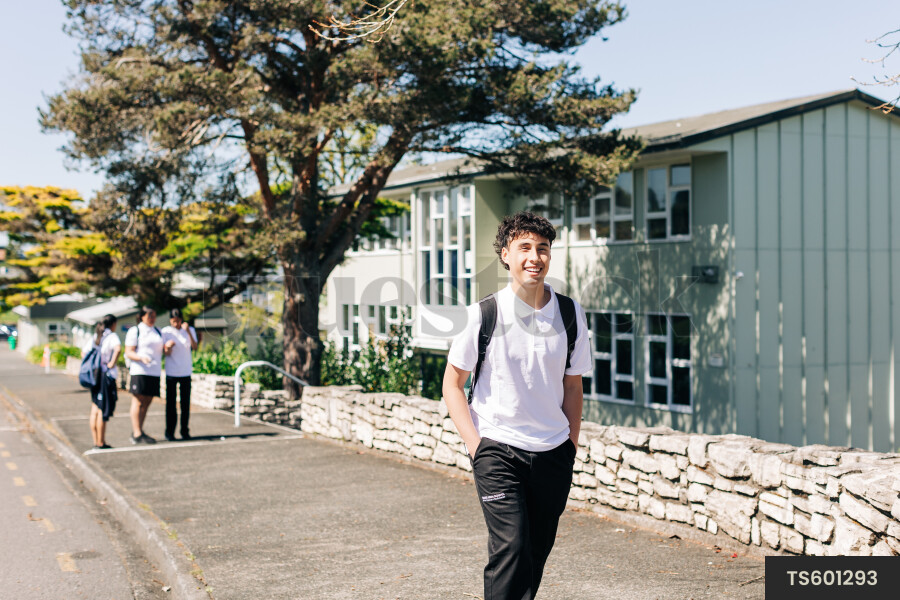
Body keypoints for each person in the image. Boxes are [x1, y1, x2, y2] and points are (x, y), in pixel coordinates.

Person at [443, 211, 591, 600]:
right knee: (511, 547)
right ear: (505, 254)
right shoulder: (485, 314)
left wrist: (570, 444)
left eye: (543, 249)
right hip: (498, 450)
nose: (535, 257)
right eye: (524, 247)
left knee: (535, 552)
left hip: (553, 452)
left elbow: (572, 386)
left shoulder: (571, 313)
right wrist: (478, 448)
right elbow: (452, 384)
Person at [124, 306, 164, 444]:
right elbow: (129, 351)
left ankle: (139, 429)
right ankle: (136, 433)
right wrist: (141, 358)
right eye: (149, 316)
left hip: (154, 371)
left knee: (147, 401)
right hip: (139, 370)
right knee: (138, 400)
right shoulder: (135, 331)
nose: (152, 318)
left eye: (154, 316)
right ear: (142, 316)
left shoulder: (157, 331)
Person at [82, 314, 121, 450]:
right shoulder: (112, 337)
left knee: (95, 408)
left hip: (95, 375)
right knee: (102, 409)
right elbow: (118, 349)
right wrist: (111, 363)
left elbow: (84, 353)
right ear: (113, 324)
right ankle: (101, 442)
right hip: (105, 376)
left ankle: (96, 441)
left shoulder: (96, 336)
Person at [161, 308, 198, 441]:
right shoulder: (166, 332)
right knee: (170, 404)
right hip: (171, 372)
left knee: (185, 404)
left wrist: (187, 330)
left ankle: (184, 430)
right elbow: (164, 353)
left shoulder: (189, 330)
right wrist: (168, 347)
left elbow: (195, 347)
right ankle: (169, 432)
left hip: (185, 372)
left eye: (178, 321)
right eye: (173, 321)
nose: (176, 324)